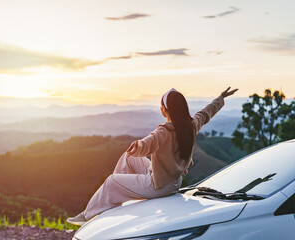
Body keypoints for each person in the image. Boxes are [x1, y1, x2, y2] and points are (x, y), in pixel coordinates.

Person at [67, 87, 238, 225]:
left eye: (161, 105)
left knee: (112, 181)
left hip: (158, 186)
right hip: (173, 182)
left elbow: (148, 143)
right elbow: (207, 112)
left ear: (165, 110)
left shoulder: (164, 131)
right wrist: (221, 98)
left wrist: (139, 146)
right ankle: (118, 200)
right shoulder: (191, 125)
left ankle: (89, 216)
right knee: (128, 157)